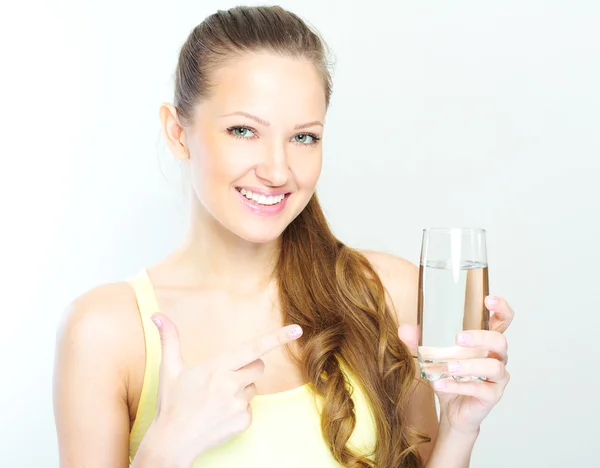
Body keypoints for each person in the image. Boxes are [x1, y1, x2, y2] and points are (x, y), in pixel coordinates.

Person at [52, 5, 514, 468]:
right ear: (178, 133)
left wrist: (459, 428)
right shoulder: (104, 332)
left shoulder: (386, 293)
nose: (277, 171)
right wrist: (166, 448)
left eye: (304, 138)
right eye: (243, 130)